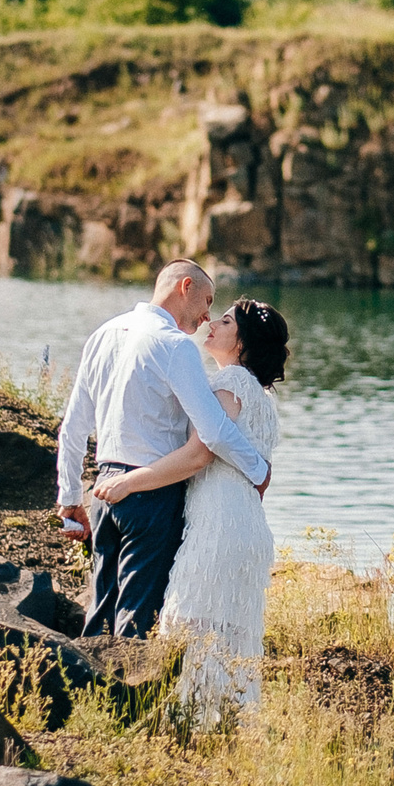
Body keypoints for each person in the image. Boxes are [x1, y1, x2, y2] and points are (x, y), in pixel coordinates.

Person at [91, 299, 288, 723]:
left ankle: (183, 722)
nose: (212, 323)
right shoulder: (261, 397)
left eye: (227, 321)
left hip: (218, 522)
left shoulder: (229, 383)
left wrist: (129, 481)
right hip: (248, 523)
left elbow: (199, 453)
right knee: (229, 630)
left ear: (243, 343)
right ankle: (226, 722)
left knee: (189, 623)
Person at [54, 260, 270, 639]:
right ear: (184, 286)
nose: (207, 315)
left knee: (100, 615)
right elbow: (214, 432)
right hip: (153, 495)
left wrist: (71, 497)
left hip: (104, 492)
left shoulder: (103, 334)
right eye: (206, 300)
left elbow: (72, 428)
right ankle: (125, 699)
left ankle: (88, 693)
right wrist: (257, 469)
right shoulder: (175, 347)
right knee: (136, 619)